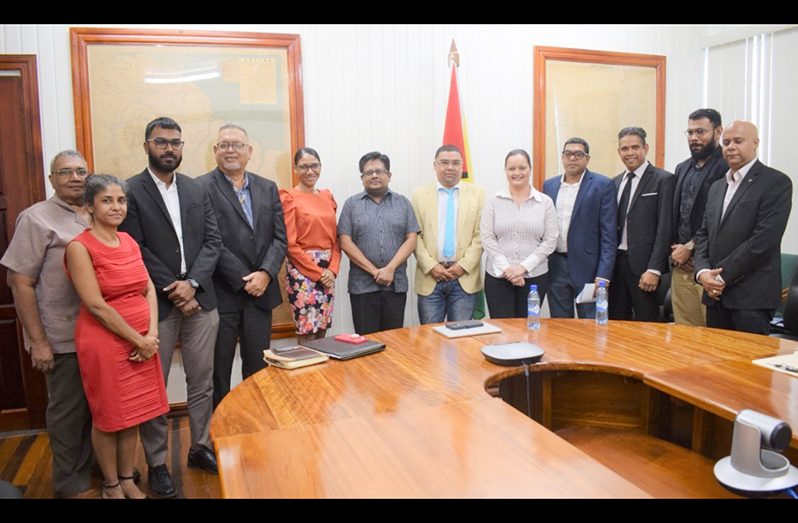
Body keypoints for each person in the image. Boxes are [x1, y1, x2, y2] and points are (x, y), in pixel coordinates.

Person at [119, 117, 222, 498]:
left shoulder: (197, 188)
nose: (169, 149)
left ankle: (200, 447)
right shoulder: (130, 190)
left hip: (201, 301)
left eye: (176, 142)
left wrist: (192, 283)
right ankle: (158, 463)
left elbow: (213, 240)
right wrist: (174, 287)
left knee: (202, 382)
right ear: (146, 145)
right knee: (154, 388)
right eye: (161, 142)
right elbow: (136, 246)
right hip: (156, 306)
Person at [65, 175, 168, 499]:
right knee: (109, 416)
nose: (116, 207)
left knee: (134, 413)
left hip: (143, 341)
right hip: (104, 343)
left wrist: (150, 334)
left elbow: (148, 288)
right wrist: (138, 340)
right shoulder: (79, 247)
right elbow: (95, 304)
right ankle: (111, 486)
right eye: (107, 200)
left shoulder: (129, 241)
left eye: (120, 200)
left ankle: (127, 478)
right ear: (90, 206)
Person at [1, 151, 96, 499]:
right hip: (62, 335)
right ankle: (71, 484)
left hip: (100, 333)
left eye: (81, 171)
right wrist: (38, 342)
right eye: (65, 172)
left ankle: (97, 469)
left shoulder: (96, 212)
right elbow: (19, 282)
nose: (75, 177)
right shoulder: (36, 218)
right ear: (51, 179)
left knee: (98, 408)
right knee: (68, 413)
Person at [197, 124, 287, 408]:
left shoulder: (267, 187)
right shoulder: (200, 188)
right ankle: (221, 438)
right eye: (224, 145)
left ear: (249, 151)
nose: (230, 150)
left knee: (258, 370)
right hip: (223, 295)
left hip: (261, 295)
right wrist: (244, 278)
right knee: (219, 372)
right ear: (215, 152)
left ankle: (255, 429)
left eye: (237, 145)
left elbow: (279, 238)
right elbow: (208, 241)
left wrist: (264, 274)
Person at [694, 120, 792, 335]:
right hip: (714, 296)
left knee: (748, 367)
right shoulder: (717, 187)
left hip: (751, 298)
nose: (731, 147)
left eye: (738, 141)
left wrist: (720, 278)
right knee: (716, 364)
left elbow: (763, 240)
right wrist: (702, 273)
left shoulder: (776, 182)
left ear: (755, 143)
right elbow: (703, 234)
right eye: (726, 142)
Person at [337, 151, 420, 334]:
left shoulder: (403, 203)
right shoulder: (351, 205)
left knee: (394, 342)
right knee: (366, 343)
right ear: (362, 177)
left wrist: (390, 269)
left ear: (389, 175)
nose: (374, 175)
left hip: (395, 284)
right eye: (369, 172)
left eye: (379, 171)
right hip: (362, 287)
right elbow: (345, 241)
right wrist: (374, 271)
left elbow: (412, 238)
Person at [543, 138, 617, 318]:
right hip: (556, 266)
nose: (572, 158)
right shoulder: (550, 186)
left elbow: (609, 234)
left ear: (587, 159)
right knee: (561, 328)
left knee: (592, 328)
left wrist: (603, 275)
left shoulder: (602, 185)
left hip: (589, 270)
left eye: (578, 154)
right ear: (562, 157)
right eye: (568, 154)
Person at [412, 145, 485, 324]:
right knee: (429, 340)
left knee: (461, 341)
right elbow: (414, 237)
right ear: (435, 165)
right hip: (430, 278)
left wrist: (462, 266)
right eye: (444, 163)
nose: (450, 167)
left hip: (464, 279)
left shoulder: (478, 194)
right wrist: (432, 267)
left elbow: (480, 236)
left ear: (462, 166)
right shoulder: (419, 195)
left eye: (455, 163)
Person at [480, 149, 557, 318]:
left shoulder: (545, 202)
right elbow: (487, 237)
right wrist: (508, 270)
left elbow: (550, 240)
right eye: (511, 168)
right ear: (505, 171)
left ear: (530, 169)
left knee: (529, 330)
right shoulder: (494, 201)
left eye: (522, 168)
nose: (517, 173)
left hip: (535, 278)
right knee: (502, 331)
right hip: (498, 277)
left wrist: (523, 268)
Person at [609, 127, 675, 322]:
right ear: (619, 151)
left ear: (645, 148)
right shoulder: (614, 182)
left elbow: (665, 228)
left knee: (647, 328)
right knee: (615, 326)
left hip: (644, 268)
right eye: (624, 148)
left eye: (635, 147)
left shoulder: (664, 180)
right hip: (616, 266)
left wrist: (654, 269)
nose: (630, 153)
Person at [670, 109, 728, 327]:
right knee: (684, 332)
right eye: (690, 132)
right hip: (680, 264)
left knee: (709, 333)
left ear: (718, 131)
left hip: (709, 265)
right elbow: (676, 214)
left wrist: (690, 247)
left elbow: (718, 218)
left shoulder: (727, 167)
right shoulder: (682, 168)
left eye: (701, 132)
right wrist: (676, 249)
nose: (694, 138)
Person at [279, 148, 340, 346]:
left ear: (320, 166)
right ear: (296, 169)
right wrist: (318, 273)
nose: (310, 171)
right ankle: (306, 376)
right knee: (307, 332)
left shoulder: (327, 196)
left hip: (328, 270)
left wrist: (332, 270)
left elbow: (336, 240)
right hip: (302, 271)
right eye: (304, 166)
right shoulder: (289, 197)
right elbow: (290, 244)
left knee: (322, 329)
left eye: (314, 165)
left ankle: (321, 375)